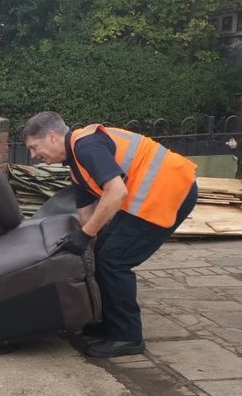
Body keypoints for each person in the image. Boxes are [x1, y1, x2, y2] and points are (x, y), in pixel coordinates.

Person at [22, 111, 197, 358]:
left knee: (113, 261)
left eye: (34, 147)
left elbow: (116, 193)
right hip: (150, 194)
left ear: (52, 137)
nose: (33, 156)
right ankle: (111, 323)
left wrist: (84, 236)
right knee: (103, 253)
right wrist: (83, 246)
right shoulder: (75, 166)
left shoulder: (87, 146)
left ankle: (128, 337)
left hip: (170, 190)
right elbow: (86, 214)